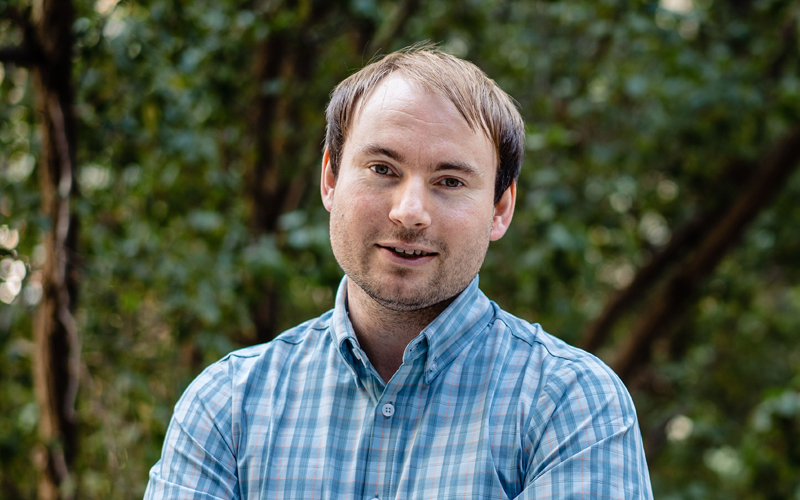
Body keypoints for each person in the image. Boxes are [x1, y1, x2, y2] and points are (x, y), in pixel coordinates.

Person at [144, 45, 653, 499]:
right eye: (383, 169)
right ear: (329, 179)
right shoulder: (228, 405)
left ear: (500, 209)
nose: (409, 212)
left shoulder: (569, 404)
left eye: (449, 181)